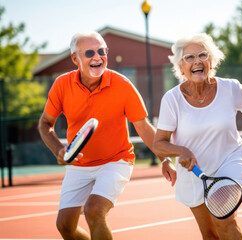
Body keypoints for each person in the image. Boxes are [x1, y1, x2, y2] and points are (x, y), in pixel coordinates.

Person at [152, 33, 242, 240]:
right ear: (180, 67)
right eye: (189, 58)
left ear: (211, 61)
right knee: (210, 235)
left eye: (202, 55)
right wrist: (181, 152)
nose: (197, 61)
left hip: (229, 161)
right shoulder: (172, 99)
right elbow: (159, 143)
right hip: (193, 173)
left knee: (225, 219)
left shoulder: (230, 88)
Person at [38, 31, 169, 240]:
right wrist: (58, 150)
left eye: (102, 51)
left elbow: (143, 128)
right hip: (79, 165)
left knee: (94, 210)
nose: (98, 57)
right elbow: (45, 124)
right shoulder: (62, 85)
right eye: (90, 52)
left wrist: (166, 158)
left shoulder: (123, 85)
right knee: (64, 226)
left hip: (116, 160)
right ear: (75, 59)